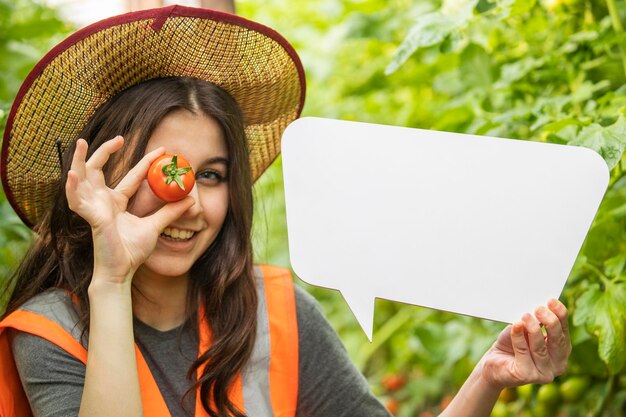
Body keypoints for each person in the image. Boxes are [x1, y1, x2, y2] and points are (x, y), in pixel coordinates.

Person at [0, 5, 571, 417]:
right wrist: (113, 276)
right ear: (106, 178)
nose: (190, 202)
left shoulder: (275, 313)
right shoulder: (52, 331)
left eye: (213, 175)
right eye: (166, 171)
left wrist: (489, 377)